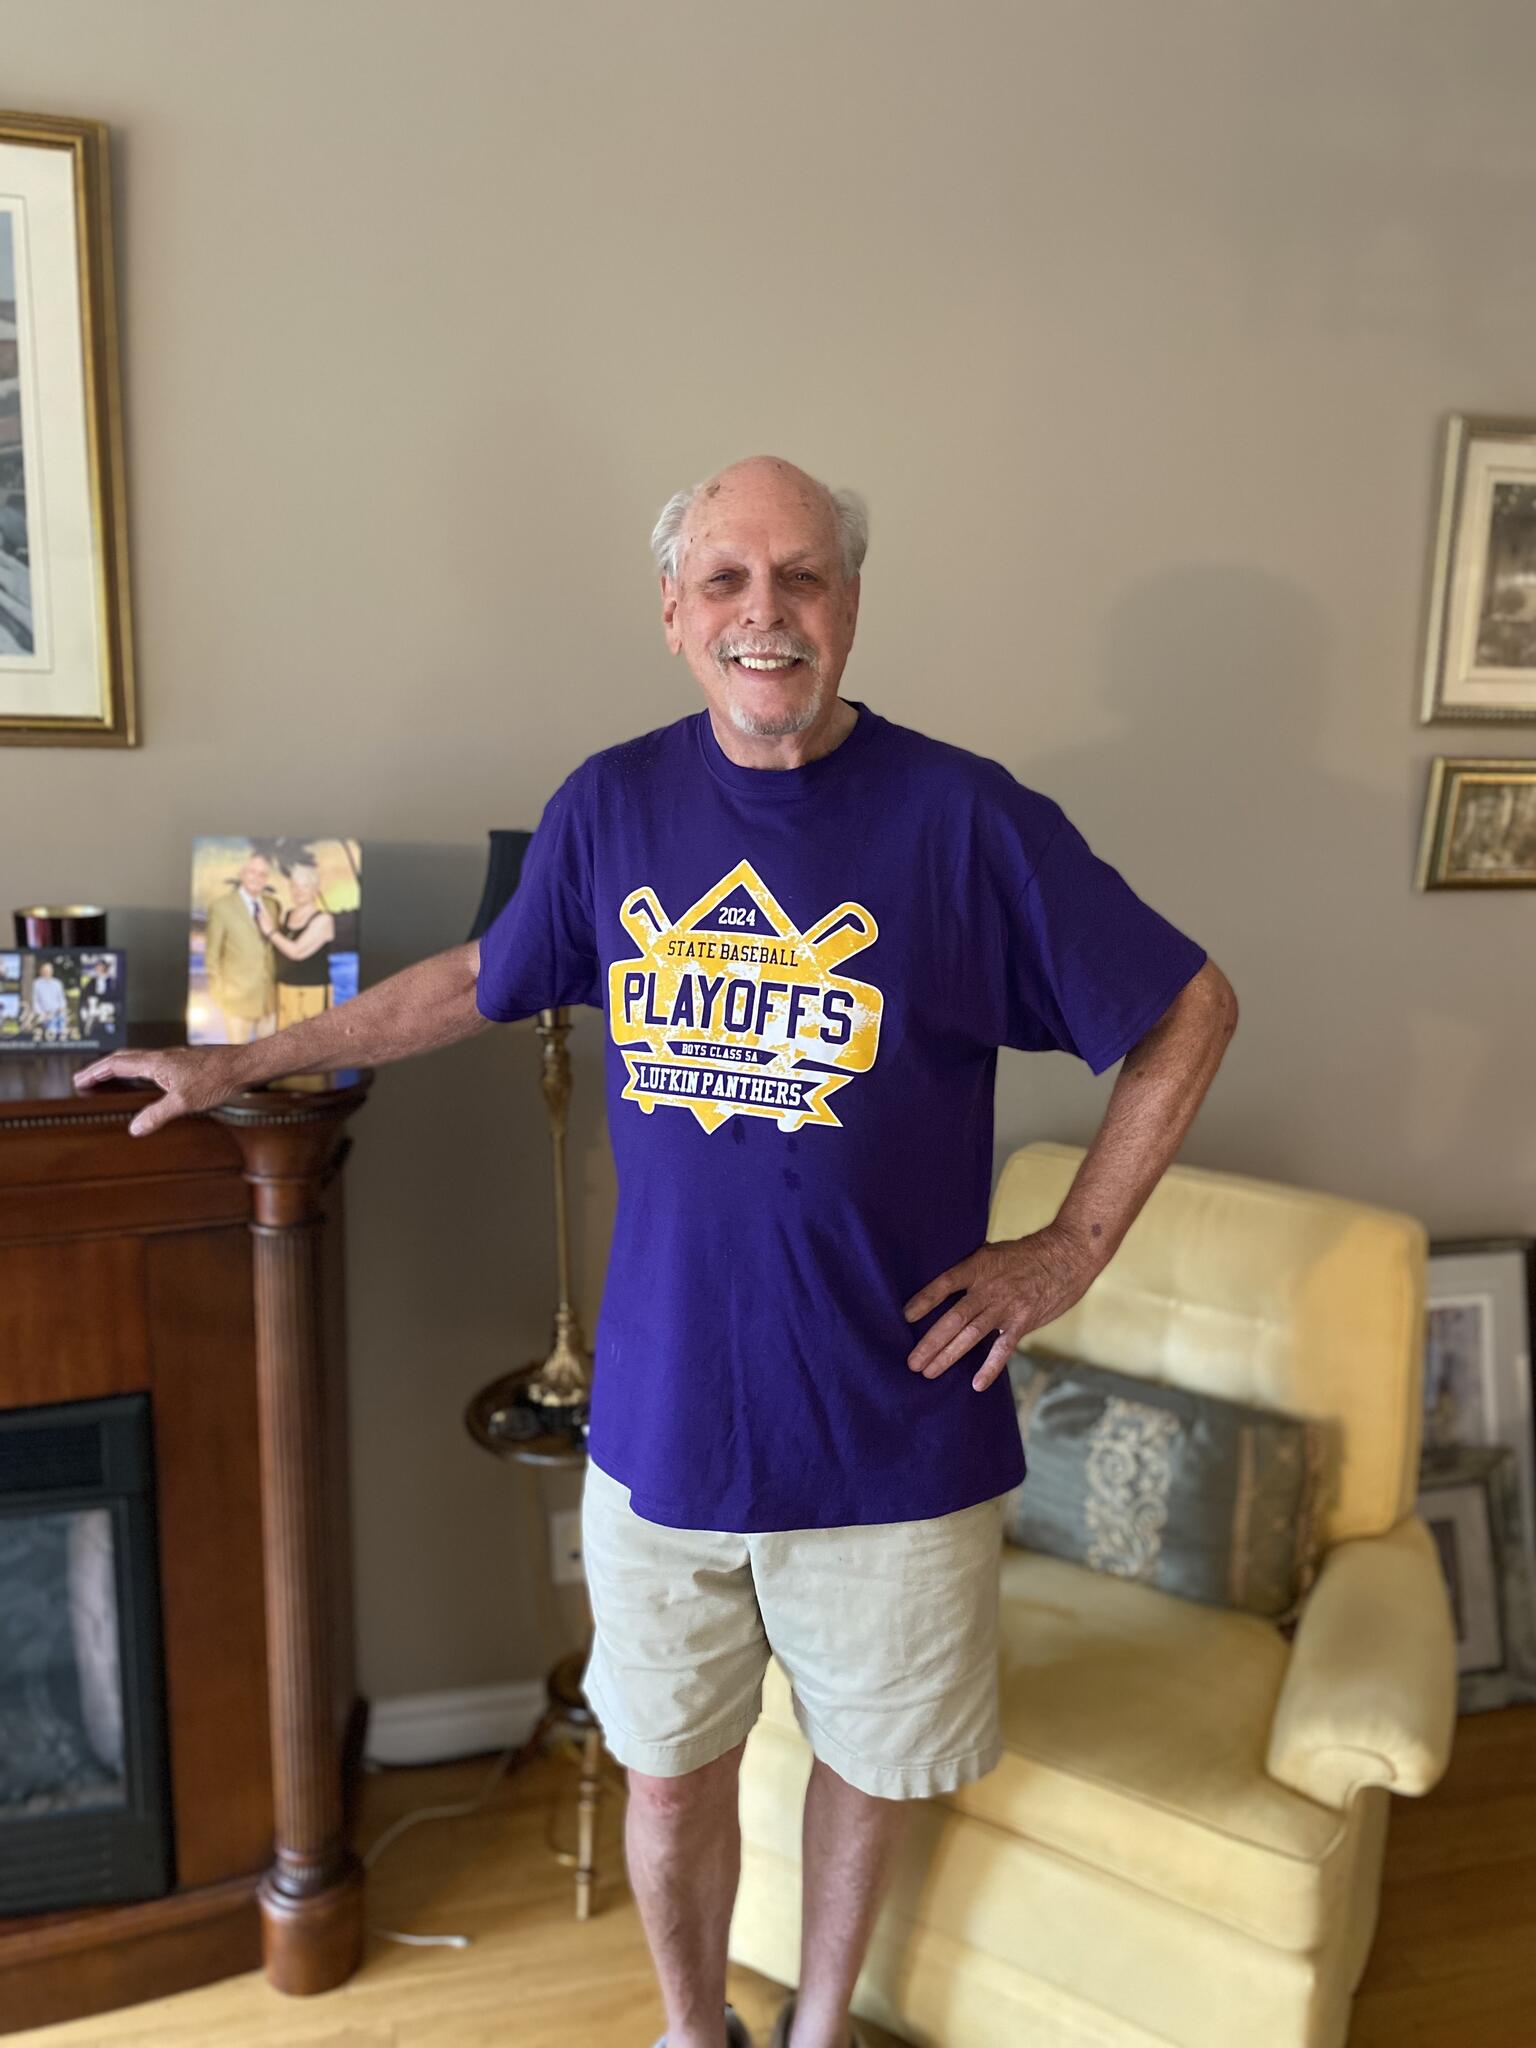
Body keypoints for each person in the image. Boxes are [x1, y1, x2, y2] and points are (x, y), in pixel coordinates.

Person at [74, 456, 1238, 2048]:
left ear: (850, 603)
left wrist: (1069, 1251)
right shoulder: (612, 804)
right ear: (675, 612)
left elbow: (1187, 1006)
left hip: (894, 1424)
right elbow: (481, 977)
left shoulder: (968, 820)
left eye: (805, 576)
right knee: (673, 1779)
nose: (769, 613)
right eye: (729, 580)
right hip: (667, 1423)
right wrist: (241, 1062)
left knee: (869, 1771)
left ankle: (817, 2029)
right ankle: (697, 2031)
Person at [202, 849, 280, 1042]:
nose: (257, 878)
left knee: (268, 1057)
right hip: (236, 1001)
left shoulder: (273, 905)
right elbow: (212, 957)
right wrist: (220, 996)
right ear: (242, 873)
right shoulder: (221, 907)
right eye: (252, 871)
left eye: (262, 874)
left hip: (268, 1000)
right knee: (237, 1057)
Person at [258, 847, 336, 1030]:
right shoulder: (287, 915)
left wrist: (270, 932)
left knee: (311, 1042)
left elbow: (297, 952)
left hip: (312, 993)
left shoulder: (324, 919)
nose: (298, 891)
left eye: (305, 886)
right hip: (284, 991)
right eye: (294, 886)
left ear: (315, 890)